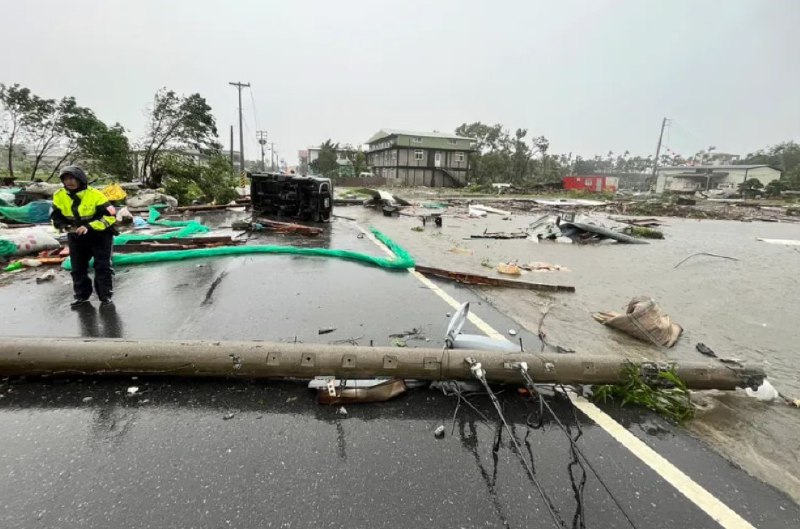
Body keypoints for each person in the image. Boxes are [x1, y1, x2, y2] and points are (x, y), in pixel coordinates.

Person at [50, 166, 118, 307]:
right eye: (65, 179)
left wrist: (89, 227)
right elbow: (55, 216)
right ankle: (82, 296)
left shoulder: (95, 194)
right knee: (77, 268)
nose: (69, 182)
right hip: (76, 236)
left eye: (72, 178)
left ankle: (105, 296)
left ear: (80, 179)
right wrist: (64, 226)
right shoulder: (59, 195)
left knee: (102, 267)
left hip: (99, 235)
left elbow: (111, 215)